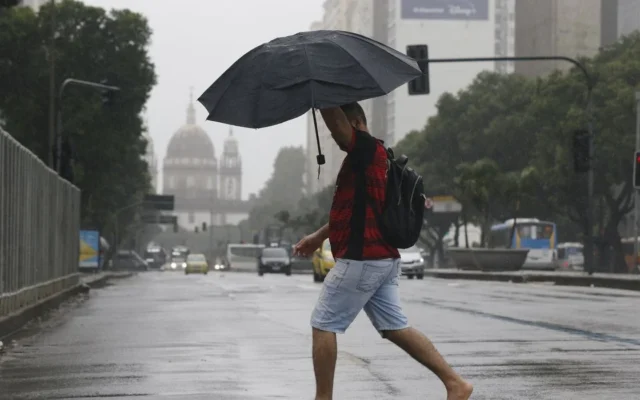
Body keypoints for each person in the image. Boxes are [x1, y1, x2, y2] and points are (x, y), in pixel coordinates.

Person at [293, 103, 473, 400]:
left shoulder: (364, 148)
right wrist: (316, 237)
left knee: (323, 324)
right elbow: (353, 213)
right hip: (381, 258)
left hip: (363, 258)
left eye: (342, 126)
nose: (336, 135)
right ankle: (456, 383)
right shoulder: (372, 158)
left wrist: (321, 94)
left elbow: (339, 130)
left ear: (355, 123)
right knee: (394, 327)